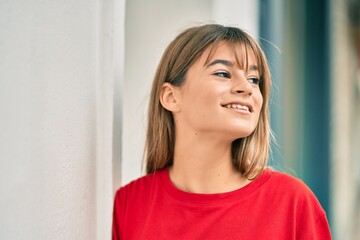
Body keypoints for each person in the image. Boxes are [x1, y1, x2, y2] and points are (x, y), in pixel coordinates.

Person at [112, 24, 331, 239]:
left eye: (254, 79)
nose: (246, 88)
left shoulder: (292, 203)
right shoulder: (129, 205)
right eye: (223, 73)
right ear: (171, 97)